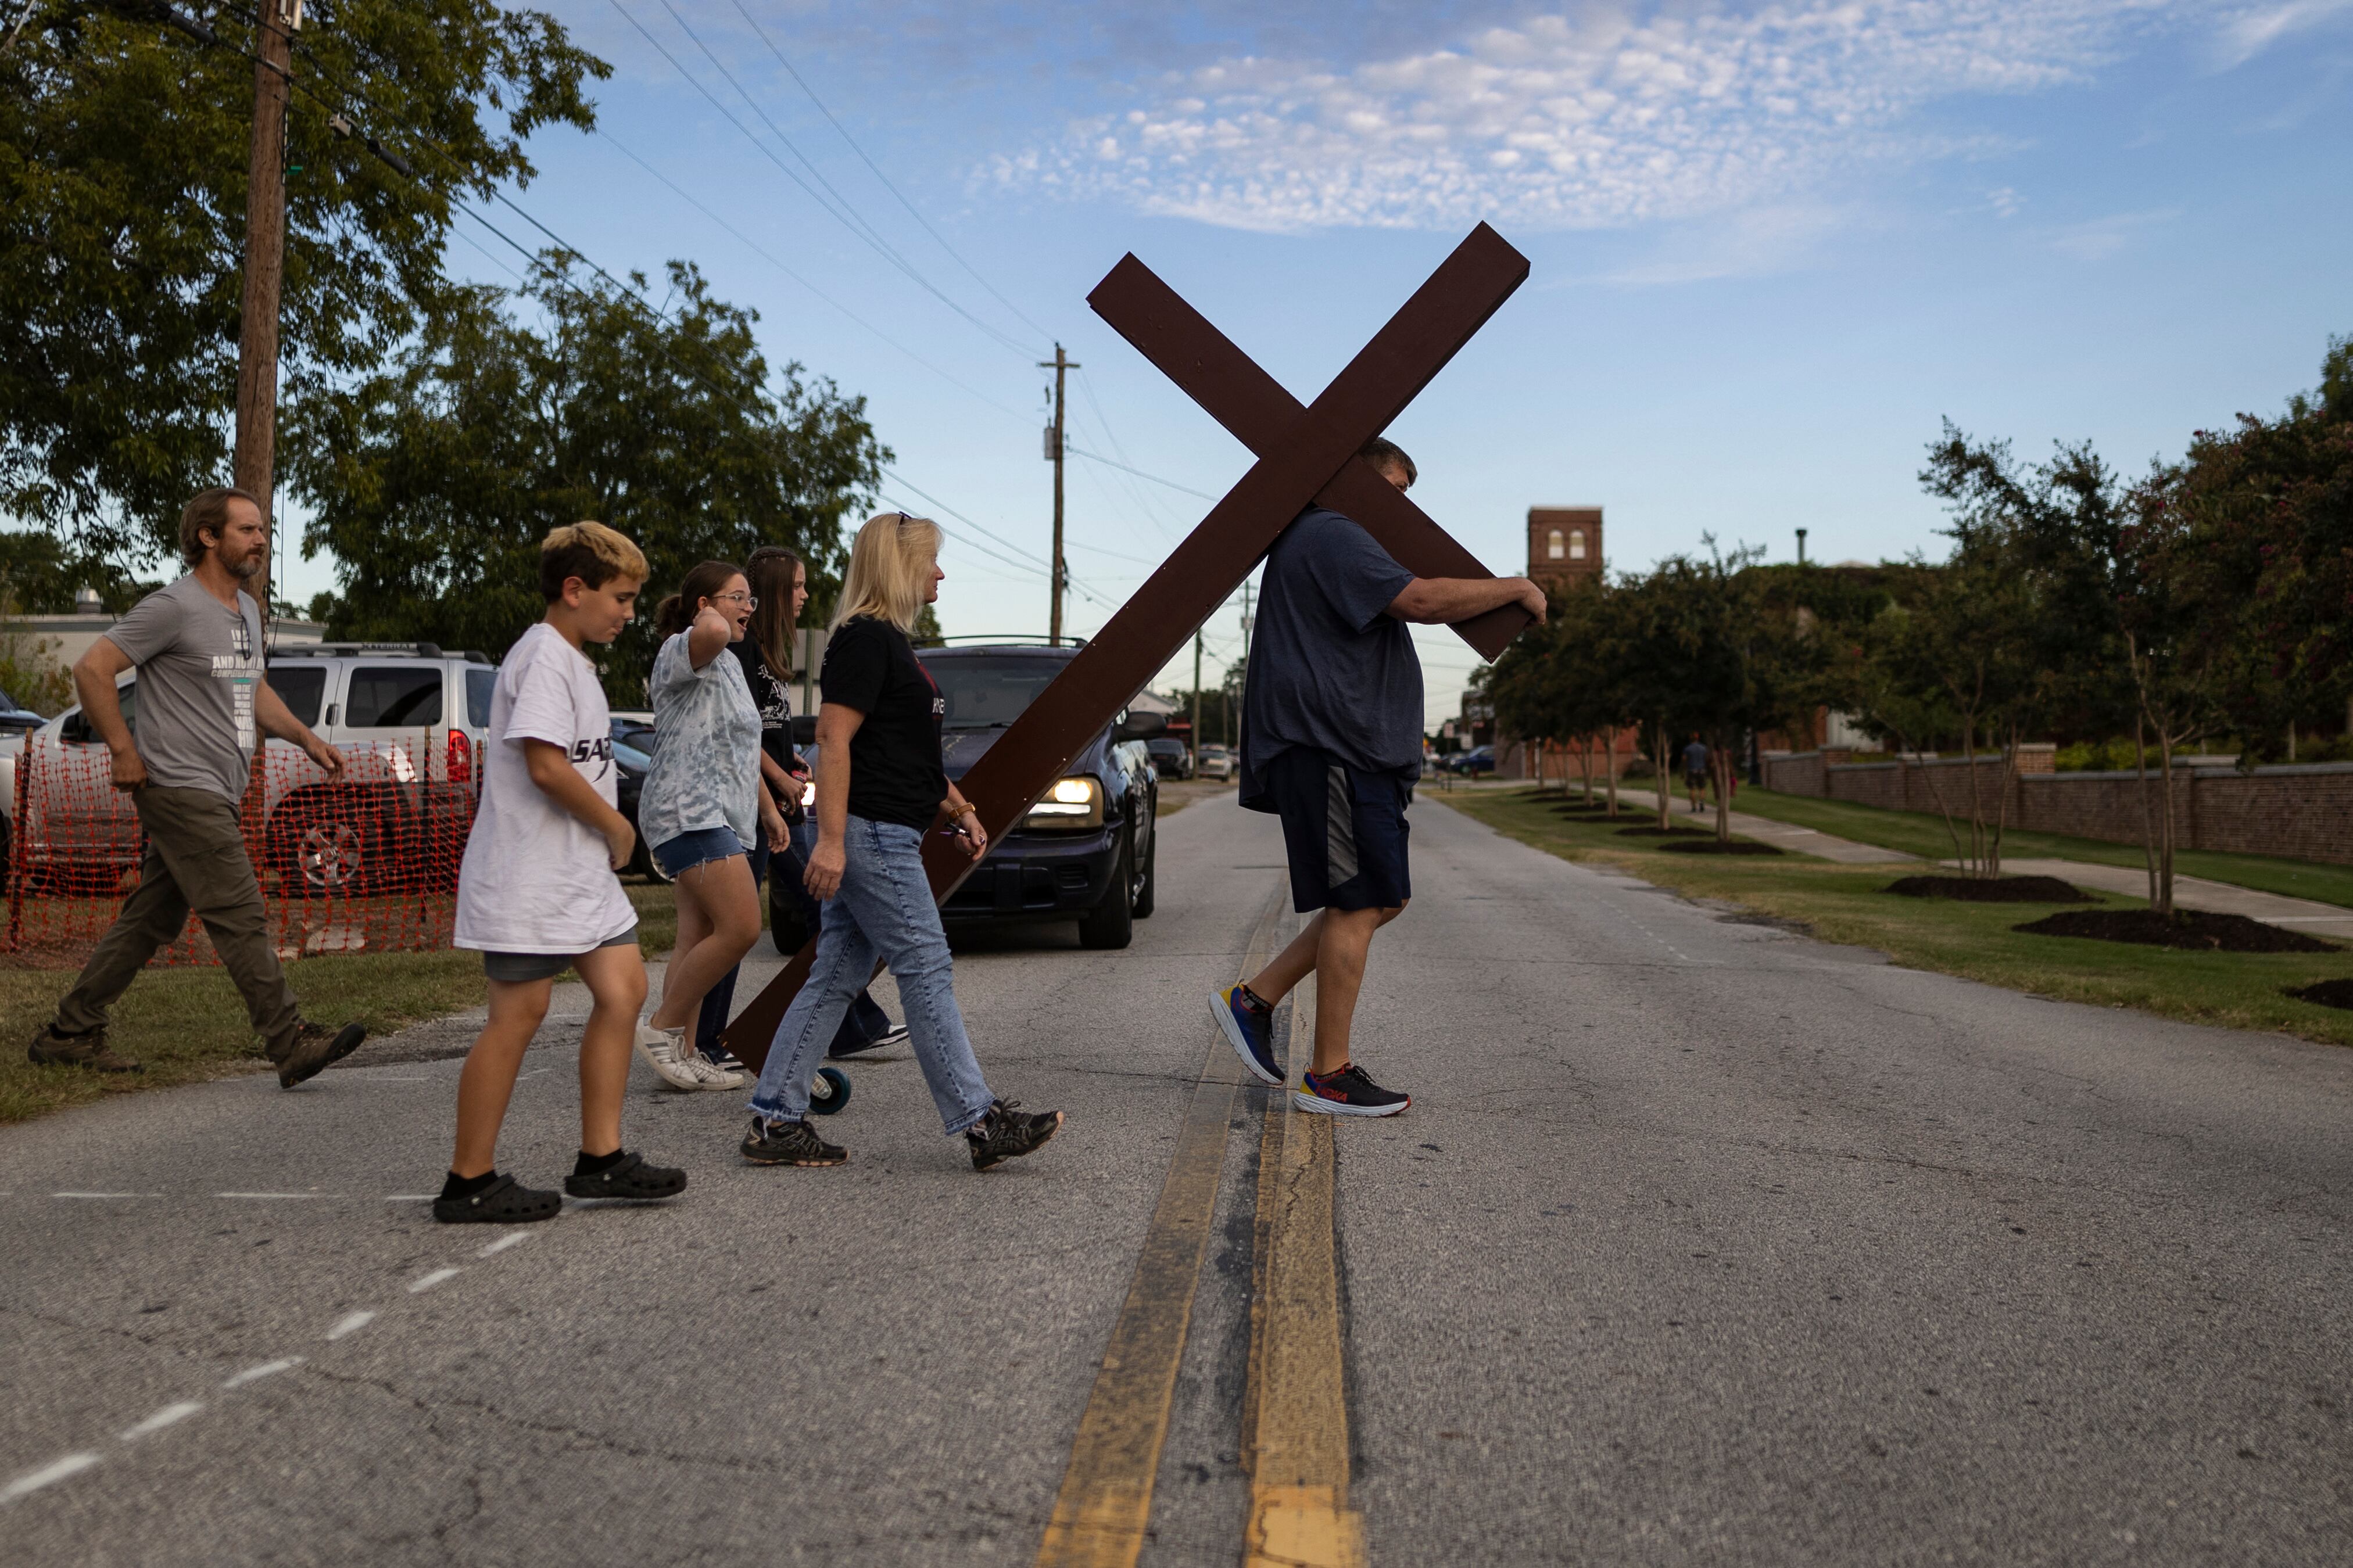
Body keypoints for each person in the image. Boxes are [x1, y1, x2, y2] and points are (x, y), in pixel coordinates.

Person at [1210, 438, 1546, 1117]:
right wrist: (1515, 586)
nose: (1399, 511)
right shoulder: (1332, 532)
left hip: (1355, 751)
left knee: (1379, 899)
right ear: (1353, 483)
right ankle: (1326, 1075)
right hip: (1332, 747)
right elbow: (1421, 600)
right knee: (1359, 901)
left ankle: (1253, 1000)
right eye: (1392, 491)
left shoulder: (1338, 539)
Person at [739, 512, 1063, 1171]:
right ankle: (979, 1120)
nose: (939, 571)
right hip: (869, 834)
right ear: (897, 565)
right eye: (931, 560)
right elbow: (833, 740)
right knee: (925, 964)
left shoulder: (889, 642)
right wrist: (830, 842)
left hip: (885, 826)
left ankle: (775, 1117)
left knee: (835, 974)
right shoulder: (864, 639)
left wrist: (958, 805)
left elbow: (905, 754)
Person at [28, 488, 366, 1085]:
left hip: (218, 784)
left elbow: (250, 689)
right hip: (179, 783)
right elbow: (92, 668)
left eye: (262, 530)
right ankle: (289, 1041)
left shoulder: (247, 611)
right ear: (209, 537)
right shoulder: (173, 606)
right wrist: (124, 750)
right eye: (246, 529)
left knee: (151, 918)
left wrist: (304, 736)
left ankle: (70, 1031)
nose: (260, 539)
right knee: (240, 912)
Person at [438, 522, 686, 1223]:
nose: (630, 612)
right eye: (621, 597)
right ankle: (469, 1179)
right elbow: (546, 765)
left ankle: (600, 1160)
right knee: (518, 1014)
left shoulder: (575, 658)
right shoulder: (542, 656)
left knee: (624, 986)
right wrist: (615, 824)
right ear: (573, 590)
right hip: (530, 874)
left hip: (577, 875)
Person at [692, 546, 906, 1074]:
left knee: (819, 911)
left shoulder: (765, 650)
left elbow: (763, 729)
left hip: (774, 801)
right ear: (770, 595)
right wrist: (778, 776)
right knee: (745, 923)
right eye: (798, 587)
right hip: (746, 806)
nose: (806, 596)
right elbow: (736, 732)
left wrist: (786, 757)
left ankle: (855, 1026)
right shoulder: (738, 651)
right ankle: (707, 1039)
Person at [634, 561, 788, 1090]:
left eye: (752, 599)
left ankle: (684, 1051)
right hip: (688, 808)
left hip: (722, 812)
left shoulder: (727, 665)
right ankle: (659, 1031)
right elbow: (714, 628)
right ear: (703, 605)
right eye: (739, 597)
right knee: (742, 928)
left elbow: (741, 746)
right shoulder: (685, 647)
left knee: (695, 935)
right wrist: (711, 610)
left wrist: (768, 811)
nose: (750, 608)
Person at [1682, 734, 1710, 813]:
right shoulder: (1703, 748)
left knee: (1692, 789)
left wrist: (1683, 769)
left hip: (1691, 770)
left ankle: (1694, 807)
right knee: (1702, 788)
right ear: (1698, 738)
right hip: (1702, 770)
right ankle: (1701, 802)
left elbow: (1684, 759)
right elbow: (1707, 758)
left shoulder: (1688, 748)